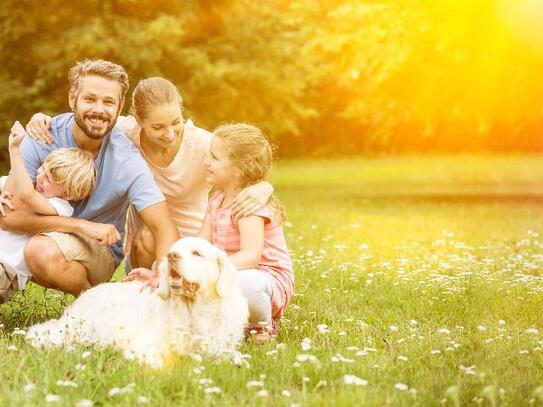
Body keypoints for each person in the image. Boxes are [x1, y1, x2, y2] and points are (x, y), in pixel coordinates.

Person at [26, 77, 273, 271]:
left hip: (199, 240)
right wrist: (41, 119)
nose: (170, 134)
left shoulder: (203, 145)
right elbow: (88, 119)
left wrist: (264, 187)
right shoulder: (124, 133)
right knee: (147, 235)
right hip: (146, 245)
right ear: (138, 120)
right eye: (158, 127)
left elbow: (247, 163)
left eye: (176, 122)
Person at [0, 59, 179, 296]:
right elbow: (9, 218)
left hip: (95, 250)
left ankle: (92, 306)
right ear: (72, 98)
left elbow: (164, 227)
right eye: (90, 99)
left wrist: (162, 277)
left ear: (120, 105)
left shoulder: (127, 160)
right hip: (39, 236)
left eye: (108, 102)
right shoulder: (41, 136)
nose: (99, 110)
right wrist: (83, 226)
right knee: (37, 247)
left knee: (40, 250)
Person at [131, 123, 294, 341]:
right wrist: (164, 272)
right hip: (230, 269)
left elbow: (251, 256)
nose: (206, 161)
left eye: (214, 158)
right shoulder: (217, 199)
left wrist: (207, 270)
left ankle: (262, 325)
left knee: (243, 284)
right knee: (187, 277)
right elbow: (199, 244)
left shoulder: (249, 204)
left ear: (238, 169)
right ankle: (221, 319)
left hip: (265, 278)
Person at [1, 122, 96, 303]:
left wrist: (15, 150)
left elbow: (27, 194)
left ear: (68, 194)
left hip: (6, 270)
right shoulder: (33, 188)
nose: (39, 177)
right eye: (42, 168)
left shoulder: (59, 208)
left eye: (48, 179)